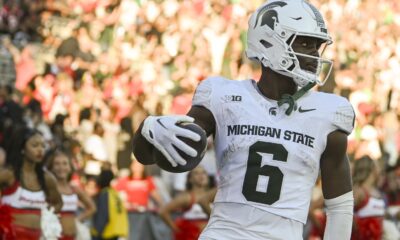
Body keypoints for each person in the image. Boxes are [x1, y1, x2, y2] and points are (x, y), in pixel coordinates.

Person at [132, 0, 355, 239]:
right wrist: (150, 130)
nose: (313, 55)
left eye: (316, 46)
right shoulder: (224, 96)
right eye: (304, 43)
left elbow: (339, 205)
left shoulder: (328, 111)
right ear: (270, 41)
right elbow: (157, 152)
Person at [0, 126, 63, 239]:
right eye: (35, 145)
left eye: (43, 146)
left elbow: (58, 203)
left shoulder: (47, 178)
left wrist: (47, 216)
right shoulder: (9, 174)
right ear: (22, 148)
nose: (40, 150)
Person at [45, 148, 96, 240]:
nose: (61, 167)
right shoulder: (48, 189)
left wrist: (78, 219)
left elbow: (92, 208)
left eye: (65, 163)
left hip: (73, 237)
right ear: (51, 167)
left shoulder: (74, 189)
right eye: (57, 164)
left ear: (70, 167)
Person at [159, 166, 211, 240]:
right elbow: (163, 212)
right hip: (191, 236)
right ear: (190, 179)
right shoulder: (187, 197)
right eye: (196, 173)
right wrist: (177, 230)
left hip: (210, 234)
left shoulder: (213, 195)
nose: (201, 176)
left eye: (204, 173)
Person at [91, 168, 129, 240]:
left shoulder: (104, 194)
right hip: (118, 230)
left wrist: (95, 233)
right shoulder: (114, 192)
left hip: (108, 232)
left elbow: (103, 215)